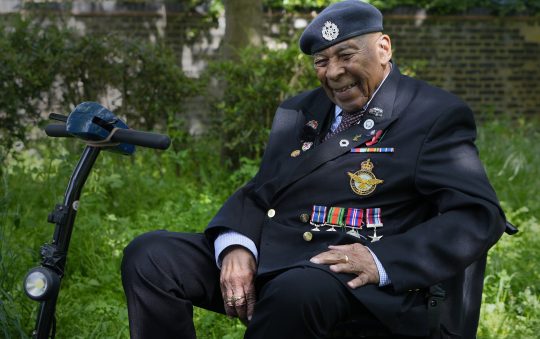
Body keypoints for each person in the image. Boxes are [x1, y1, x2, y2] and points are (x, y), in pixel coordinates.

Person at [121, 1, 506, 338]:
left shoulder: (431, 113)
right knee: (151, 256)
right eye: (322, 61)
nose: (334, 72)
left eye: (346, 56)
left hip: (356, 281)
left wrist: (380, 260)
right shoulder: (299, 111)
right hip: (279, 255)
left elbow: (477, 216)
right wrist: (237, 244)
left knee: (296, 292)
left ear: (384, 48)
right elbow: (265, 188)